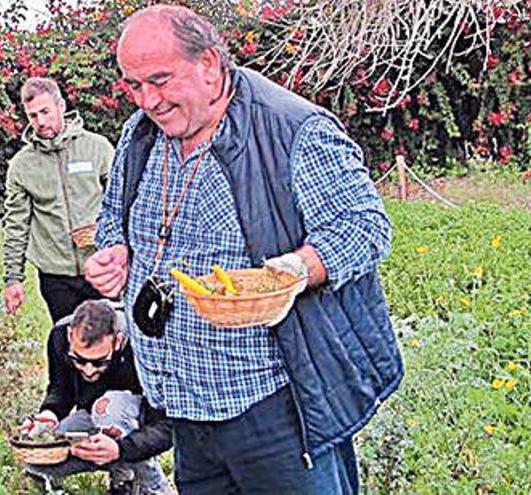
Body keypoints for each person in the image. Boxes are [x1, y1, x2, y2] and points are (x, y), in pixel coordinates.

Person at [84, 5, 404, 494]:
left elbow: (364, 227)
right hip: (183, 409)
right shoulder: (141, 134)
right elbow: (113, 217)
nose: (147, 100)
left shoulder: (291, 129)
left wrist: (293, 270)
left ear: (209, 65)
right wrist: (116, 251)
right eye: (134, 85)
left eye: (160, 80)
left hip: (276, 409)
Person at [19, 300, 173, 495]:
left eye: (99, 362)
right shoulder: (59, 336)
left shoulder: (144, 343)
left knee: (109, 408)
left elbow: (168, 426)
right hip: (91, 417)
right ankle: (123, 473)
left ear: (118, 341)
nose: (89, 370)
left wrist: (121, 449)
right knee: (37, 457)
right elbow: (61, 389)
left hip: (139, 419)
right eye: (79, 360)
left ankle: (152, 488)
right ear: (70, 336)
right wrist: (49, 415)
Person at [3, 77, 115, 323]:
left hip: (102, 266)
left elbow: (122, 204)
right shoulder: (22, 165)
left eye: (45, 111)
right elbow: (16, 225)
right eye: (33, 116)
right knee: (68, 344)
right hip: (56, 277)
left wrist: (108, 236)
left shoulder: (97, 148)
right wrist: (13, 279)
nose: (40, 122)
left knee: (113, 343)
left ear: (61, 106)